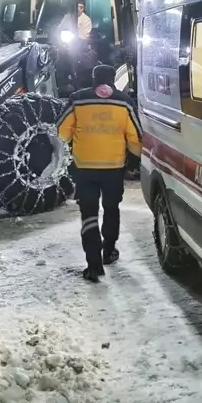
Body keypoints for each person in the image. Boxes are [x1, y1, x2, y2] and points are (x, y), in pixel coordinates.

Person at [57, 63, 142, 282]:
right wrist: (137, 158)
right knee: (111, 209)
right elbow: (135, 138)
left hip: (84, 169)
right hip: (113, 169)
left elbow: (61, 132)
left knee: (89, 215)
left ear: (93, 78)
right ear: (113, 79)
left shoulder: (78, 99)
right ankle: (109, 250)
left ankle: (93, 265)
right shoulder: (124, 102)